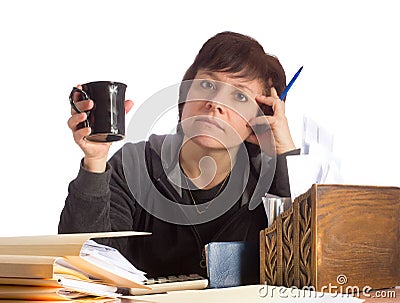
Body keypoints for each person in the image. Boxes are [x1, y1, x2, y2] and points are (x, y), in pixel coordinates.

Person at [59, 31, 300, 278]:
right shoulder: (134, 165)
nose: (215, 103)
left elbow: (308, 265)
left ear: (260, 116)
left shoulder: (268, 179)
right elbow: (87, 264)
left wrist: (285, 152)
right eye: (207, 85)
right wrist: (95, 161)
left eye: (239, 96)